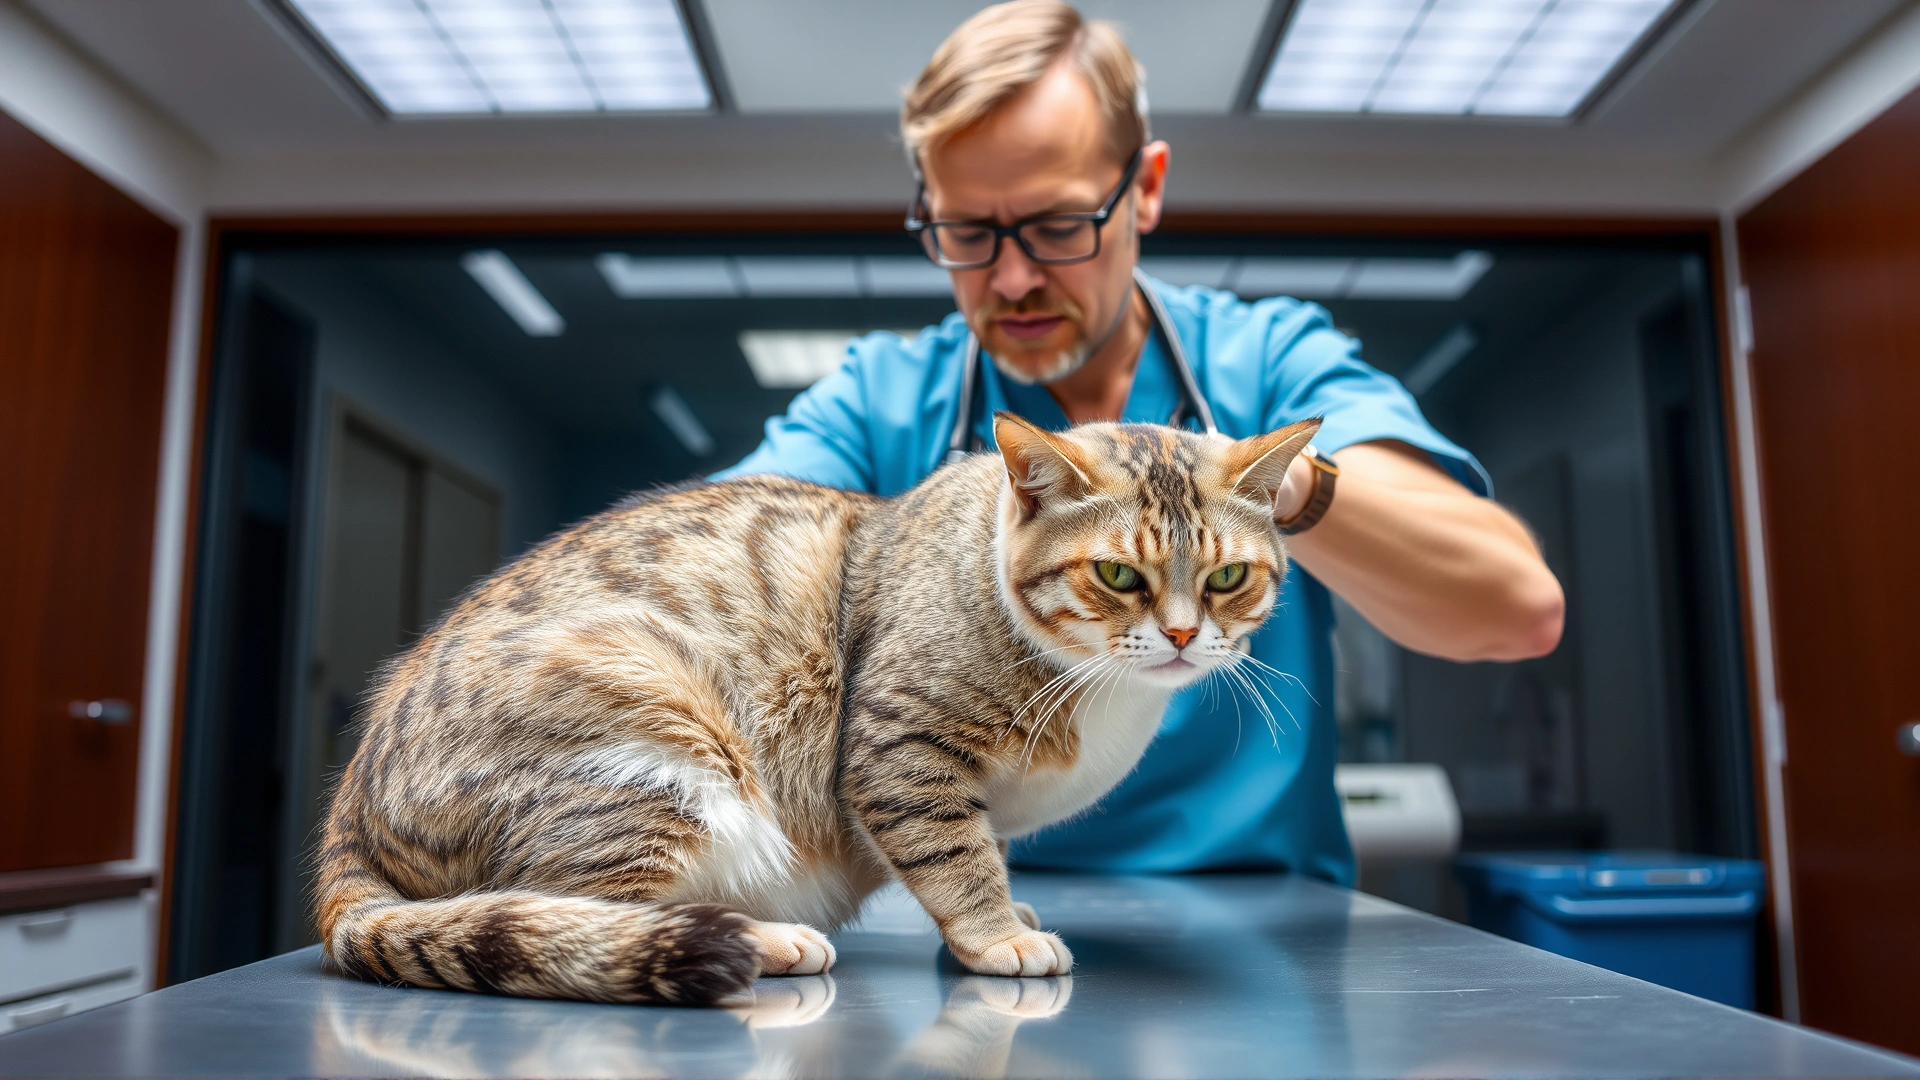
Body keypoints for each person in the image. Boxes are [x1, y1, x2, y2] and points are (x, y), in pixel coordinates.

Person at [715, 0, 1563, 885]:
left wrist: (1271, 488)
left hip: (1262, 931)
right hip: (974, 914)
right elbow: (696, 596)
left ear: (1146, 187)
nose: (1011, 277)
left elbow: (1517, 609)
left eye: (1055, 226)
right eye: (967, 233)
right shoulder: (884, 399)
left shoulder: (1267, 362)